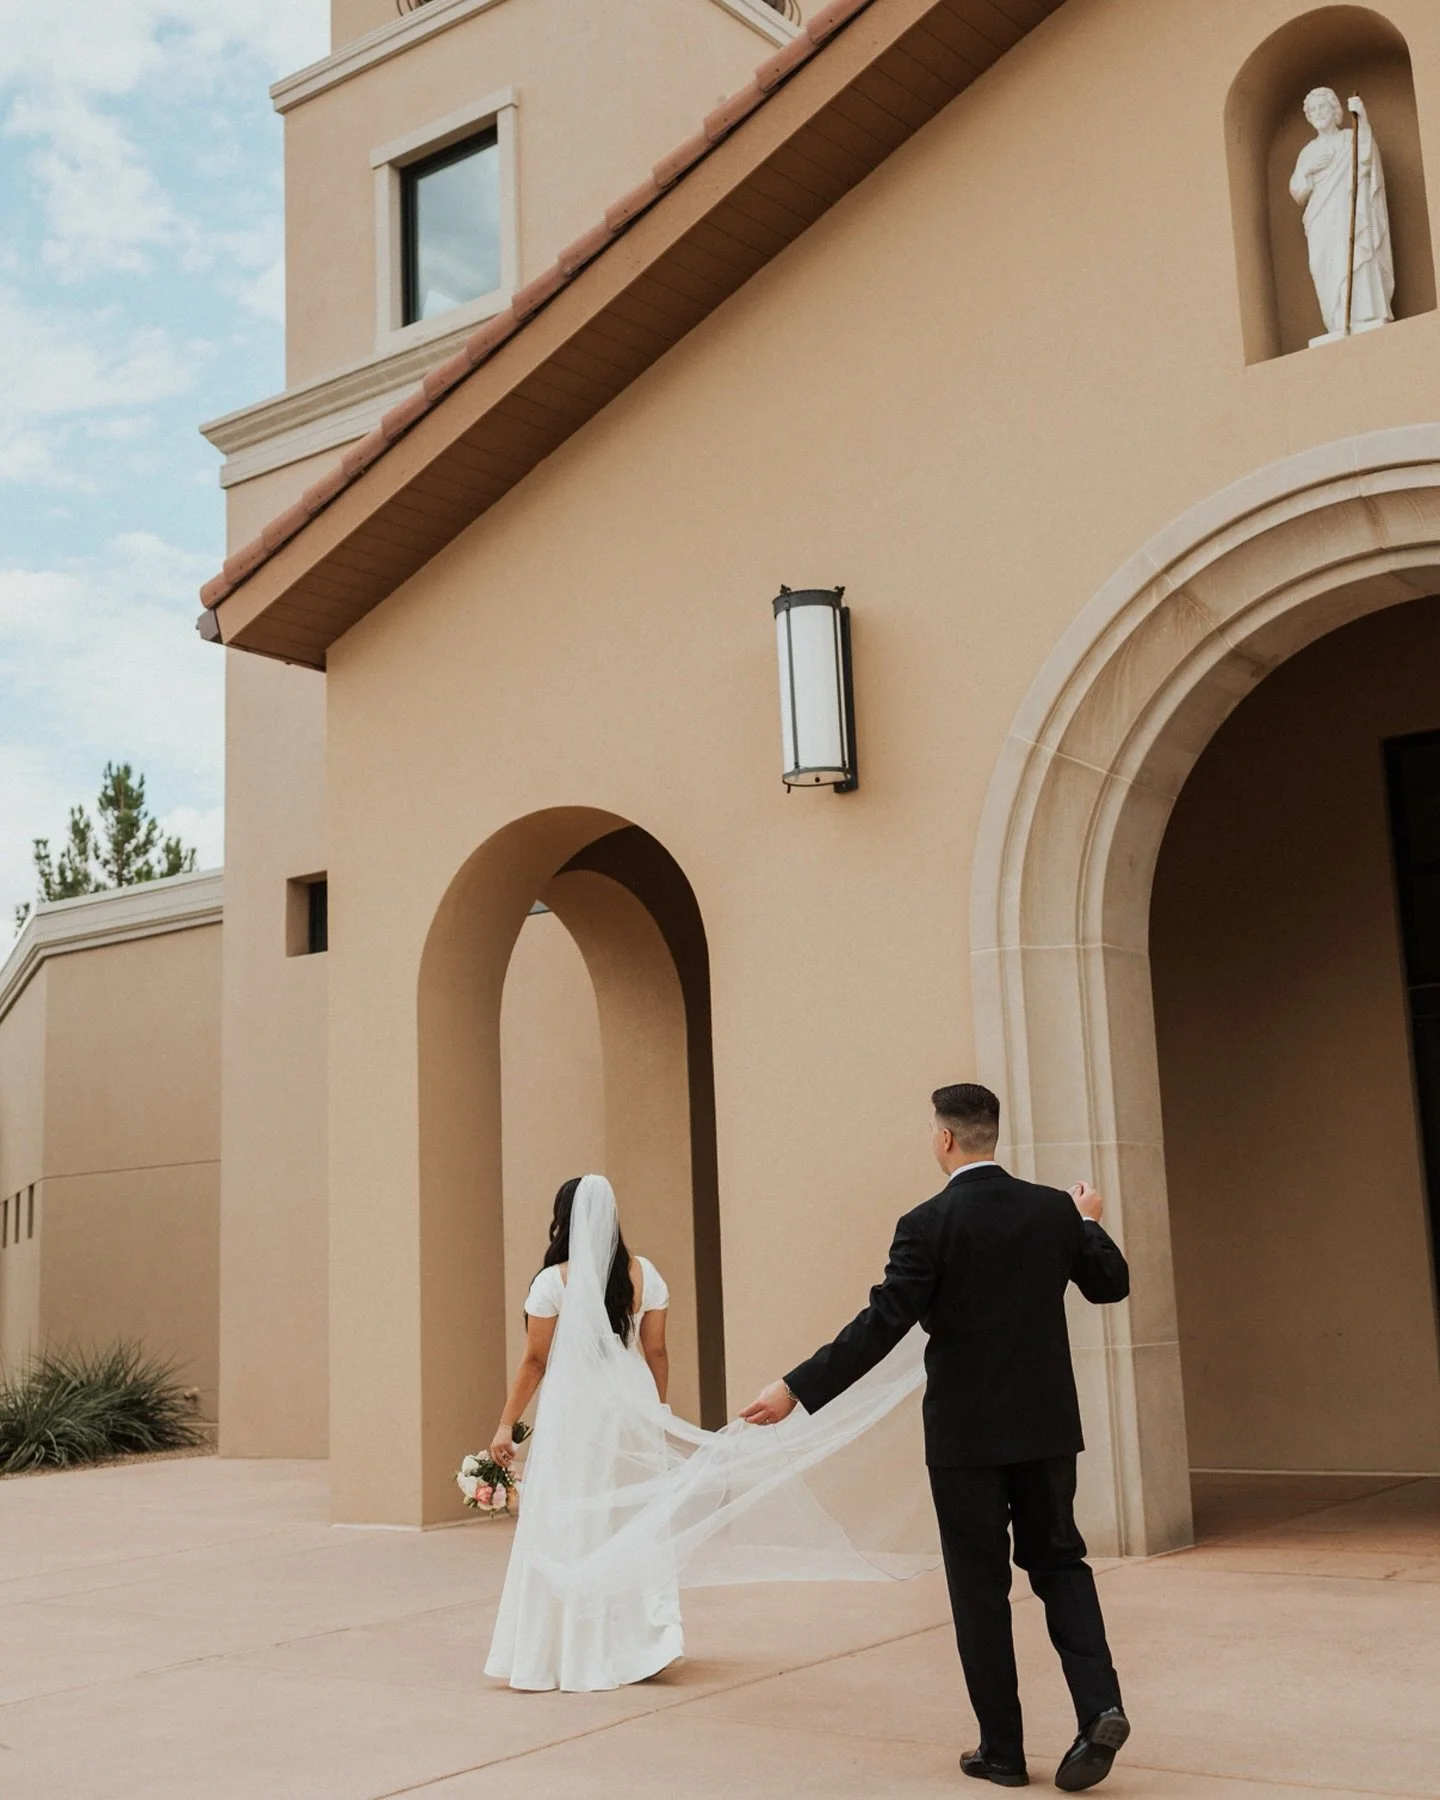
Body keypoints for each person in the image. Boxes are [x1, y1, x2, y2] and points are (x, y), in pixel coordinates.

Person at [742, 1083, 1132, 1792]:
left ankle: (1003, 1753)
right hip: (1047, 1430)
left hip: (966, 1439)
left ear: (946, 1139)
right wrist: (1088, 1223)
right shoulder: (1054, 1211)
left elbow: (882, 1323)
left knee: (979, 1589)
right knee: (1061, 1565)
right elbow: (1112, 1285)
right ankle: (1100, 1706)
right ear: (993, 1135)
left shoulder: (927, 1222)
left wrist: (795, 1388)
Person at [484, 1174, 682, 1690]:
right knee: (627, 1516)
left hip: (579, 1409)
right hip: (632, 1404)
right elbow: (655, 1350)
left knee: (570, 1515)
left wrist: (507, 1424)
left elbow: (534, 1360)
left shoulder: (553, 1281)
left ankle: (568, 1650)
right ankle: (636, 1646)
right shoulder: (647, 1274)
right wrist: (657, 1409)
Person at [1289, 88, 1393, 341]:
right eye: (1312, 110)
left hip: (1350, 211)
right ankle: (1337, 322)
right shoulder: (1308, 152)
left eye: (1321, 107)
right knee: (1322, 263)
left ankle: (1365, 314)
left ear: (1334, 110)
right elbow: (1297, 191)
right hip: (1321, 220)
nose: (1317, 114)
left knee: (1358, 254)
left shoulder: (1350, 137)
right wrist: (1309, 171)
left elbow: (1368, 159)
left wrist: (1362, 118)